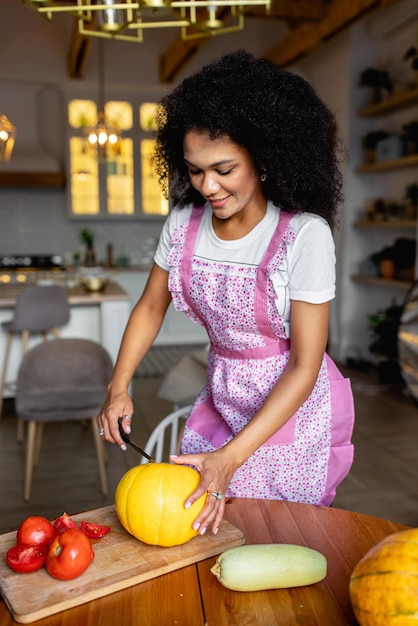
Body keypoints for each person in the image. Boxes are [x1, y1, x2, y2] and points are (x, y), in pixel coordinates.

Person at [97, 49, 354, 537]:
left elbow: (306, 364)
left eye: (224, 168)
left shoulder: (305, 236)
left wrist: (232, 457)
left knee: (269, 532)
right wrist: (118, 386)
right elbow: (151, 306)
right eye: (194, 170)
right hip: (224, 394)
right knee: (206, 527)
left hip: (289, 409)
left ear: (265, 157)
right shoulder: (183, 225)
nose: (207, 186)